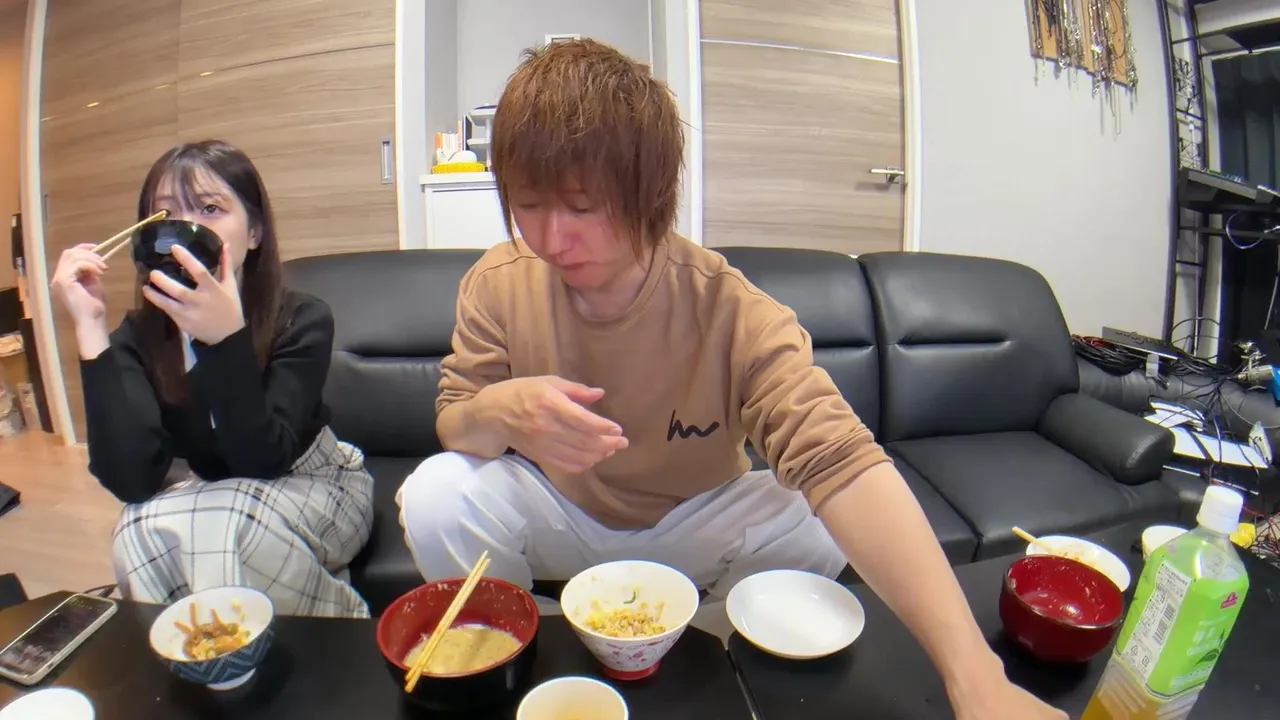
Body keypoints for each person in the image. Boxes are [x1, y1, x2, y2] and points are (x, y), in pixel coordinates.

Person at [396, 40, 1066, 718]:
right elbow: (455, 422)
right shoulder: (497, 283)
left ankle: (697, 643)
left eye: (583, 205)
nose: (551, 238)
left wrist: (975, 676)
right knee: (435, 495)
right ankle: (541, 639)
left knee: (817, 516)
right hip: (562, 514)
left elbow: (840, 458)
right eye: (529, 204)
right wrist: (500, 411)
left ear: (651, 194)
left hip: (696, 521)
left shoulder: (731, 309)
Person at [50, 140, 375, 618]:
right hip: (219, 496)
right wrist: (90, 327)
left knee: (227, 523)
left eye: (209, 209)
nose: (186, 229)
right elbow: (132, 481)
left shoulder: (302, 318)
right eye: (165, 214)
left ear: (254, 233)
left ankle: (338, 635)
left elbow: (263, 459)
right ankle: (194, 655)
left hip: (316, 482)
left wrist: (224, 340)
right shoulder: (141, 336)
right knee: (135, 529)